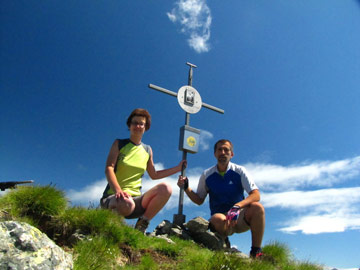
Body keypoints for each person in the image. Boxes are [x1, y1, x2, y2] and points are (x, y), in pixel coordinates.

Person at [101, 108, 185, 234]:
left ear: (146, 127)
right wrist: (118, 190)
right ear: (129, 125)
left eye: (142, 124)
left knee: (166, 188)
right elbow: (109, 168)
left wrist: (178, 168)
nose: (138, 126)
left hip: (136, 201)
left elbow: (154, 175)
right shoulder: (119, 143)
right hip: (114, 198)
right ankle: (111, 222)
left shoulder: (147, 150)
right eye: (135, 123)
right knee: (126, 203)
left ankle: (141, 225)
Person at [177, 139, 265, 258]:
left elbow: (256, 195)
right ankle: (223, 241)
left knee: (257, 207)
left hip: (239, 216)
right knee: (217, 218)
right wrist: (186, 188)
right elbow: (199, 200)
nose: (222, 152)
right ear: (215, 154)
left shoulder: (240, 171)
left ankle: (256, 252)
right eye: (219, 150)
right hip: (221, 221)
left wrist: (237, 206)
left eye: (226, 150)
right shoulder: (206, 175)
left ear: (231, 154)